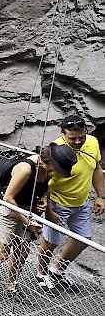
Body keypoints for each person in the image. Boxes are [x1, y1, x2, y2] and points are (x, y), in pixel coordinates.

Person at [0, 144, 76, 301]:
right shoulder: (26, 169)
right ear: (51, 162)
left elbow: (44, 190)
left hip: (28, 213)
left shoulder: (47, 169)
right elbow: (8, 198)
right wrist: (28, 221)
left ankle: (11, 286)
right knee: (2, 254)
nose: (59, 172)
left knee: (21, 253)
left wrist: (47, 207)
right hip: (8, 213)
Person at [37, 115, 105, 289]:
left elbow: (96, 169)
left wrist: (100, 196)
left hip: (81, 202)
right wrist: (48, 208)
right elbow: (43, 179)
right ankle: (42, 274)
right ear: (62, 133)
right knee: (51, 241)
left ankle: (57, 269)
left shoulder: (92, 142)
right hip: (58, 202)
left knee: (83, 239)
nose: (77, 141)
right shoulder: (55, 151)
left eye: (81, 137)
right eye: (72, 138)